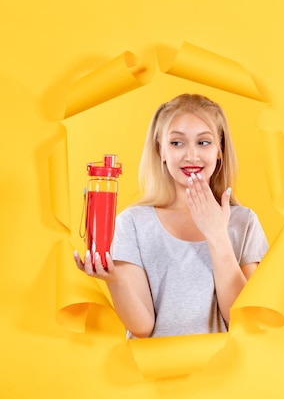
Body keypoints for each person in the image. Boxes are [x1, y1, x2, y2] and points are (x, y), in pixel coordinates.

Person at [73, 93, 268, 338]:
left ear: (220, 150)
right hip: (155, 373)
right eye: (177, 143)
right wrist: (115, 281)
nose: (191, 155)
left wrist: (217, 235)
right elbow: (142, 327)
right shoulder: (133, 224)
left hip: (226, 373)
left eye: (204, 142)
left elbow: (243, 319)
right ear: (161, 151)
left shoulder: (244, 223)